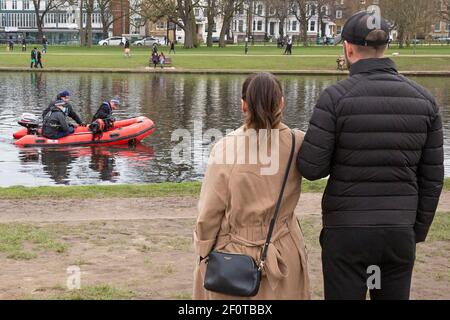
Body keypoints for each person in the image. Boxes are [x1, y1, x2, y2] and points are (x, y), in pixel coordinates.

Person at [297, 11, 444, 300]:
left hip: (347, 232)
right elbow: (432, 178)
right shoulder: (425, 101)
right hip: (397, 231)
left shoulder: (335, 98)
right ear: (386, 47)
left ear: (348, 48)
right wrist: (416, 230)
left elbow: (311, 168)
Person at [193, 73, 310, 300]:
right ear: (281, 103)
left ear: (243, 105)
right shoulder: (298, 143)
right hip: (284, 251)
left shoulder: (225, 148)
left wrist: (203, 251)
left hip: (234, 255)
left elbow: (209, 212)